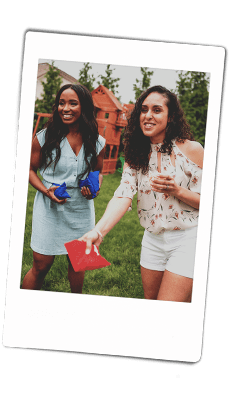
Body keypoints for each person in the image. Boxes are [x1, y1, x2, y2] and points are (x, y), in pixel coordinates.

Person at [79, 85, 204, 302]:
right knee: (150, 304)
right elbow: (123, 194)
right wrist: (98, 232)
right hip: (152, 240)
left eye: (157, 110)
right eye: (144, 109)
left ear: (171, 116)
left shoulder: (192, 150)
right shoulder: (136, 153)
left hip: (187, 239)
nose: (148, 115)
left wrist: (177, 191)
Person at [22, 84, 106, 292]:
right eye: (61, 103)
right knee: (41, 265)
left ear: (84, 106)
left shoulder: (97, 141)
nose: (65, 108)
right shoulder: (44, 137)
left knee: (78, 265)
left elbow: (98, 172)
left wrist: (93, 187)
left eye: (72, 103)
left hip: (81, 210)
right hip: (50, 208)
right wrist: (45, 190)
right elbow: (30, 169)